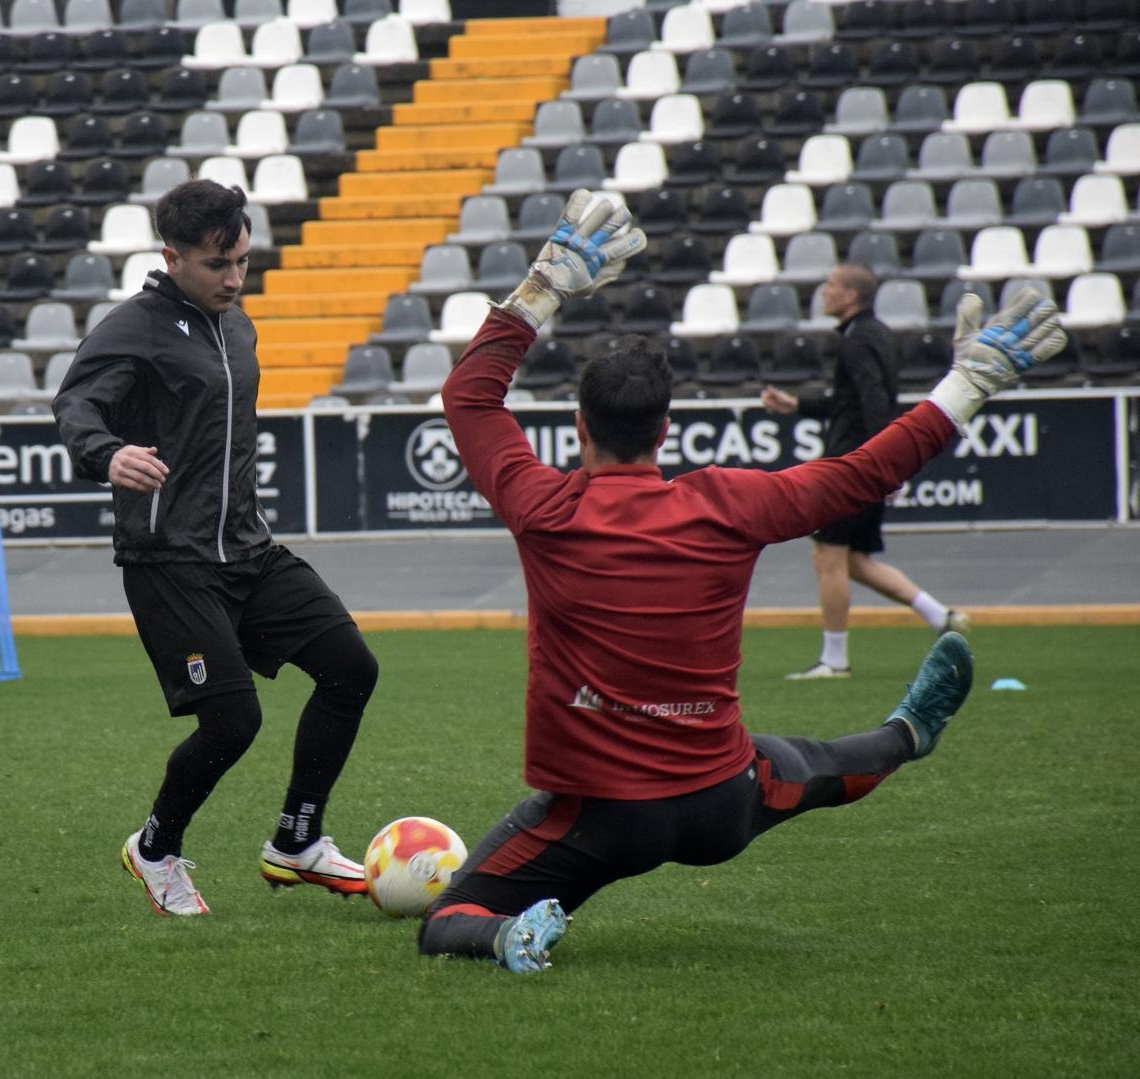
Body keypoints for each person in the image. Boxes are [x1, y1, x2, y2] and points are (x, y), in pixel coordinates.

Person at [417, 189, 1064, 973]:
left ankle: (509, 936)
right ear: (665, 431)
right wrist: (969, 384)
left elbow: (467, 396)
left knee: (453, 912)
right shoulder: (731, 502)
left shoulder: (545, 506)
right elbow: (865, 471)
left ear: (580, 428)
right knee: (815, 768)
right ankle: (911, 732)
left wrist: (544, 287)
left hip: (603, 818)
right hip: (720, 800)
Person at [52, 180, 378, 917]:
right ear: (172, 257)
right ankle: (156, 847)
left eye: (242, 260)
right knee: (234, 721)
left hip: (248, 551)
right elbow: (76, 405)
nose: (233, 277)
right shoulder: (131, 327)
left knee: (351, 668)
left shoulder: (238, 324)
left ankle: (297, 840)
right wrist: (107, 454)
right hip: (168, 559)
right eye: (216, 263)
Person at [761, 263, 970, 680]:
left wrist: (885, 466)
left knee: (828, 556)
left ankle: (835, 661)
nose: (824, 290)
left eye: (832, 285)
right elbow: (850, 401)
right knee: (853, 562)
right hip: (866, 463)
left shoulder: (858, 342)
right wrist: (797, 405)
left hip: (852, 467)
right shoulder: (871, 335)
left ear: (851, 297)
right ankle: (941, 616)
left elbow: (876, 404)